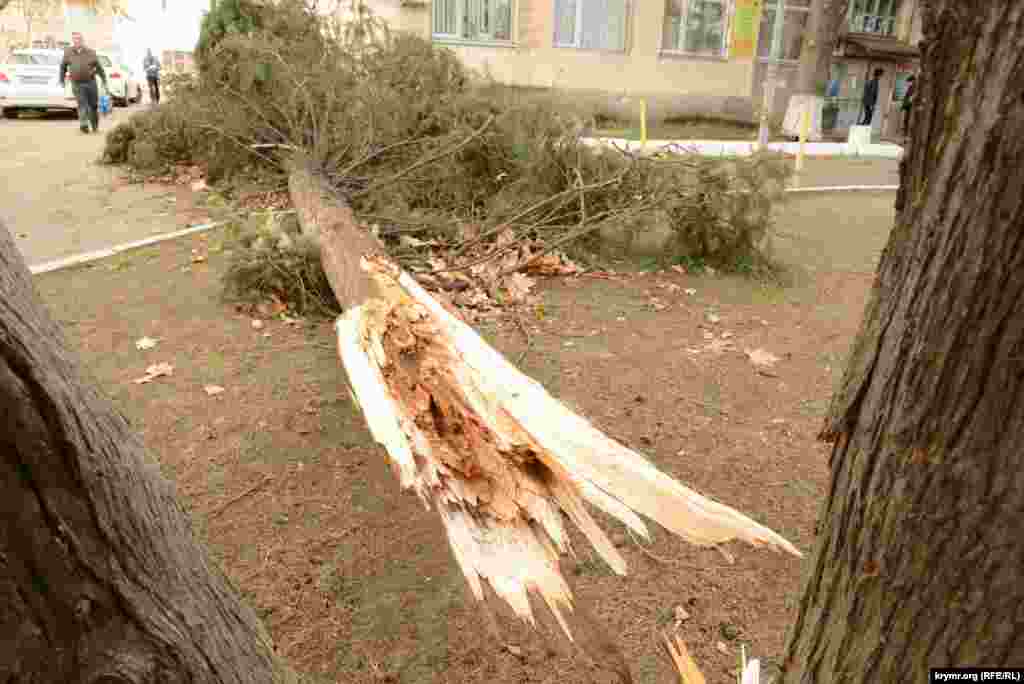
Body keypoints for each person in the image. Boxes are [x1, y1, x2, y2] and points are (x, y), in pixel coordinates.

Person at [58, 32, 109, 134]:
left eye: (79, 39)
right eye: (75, 39)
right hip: (76, 83)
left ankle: (94, 125)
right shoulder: (68, 52)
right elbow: (63, 67)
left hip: (90, 83)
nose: (77, 41)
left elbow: (99, 68)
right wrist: (62, 80)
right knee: (82, 104)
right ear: (73, 41)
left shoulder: (91, 52)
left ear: (82, 41)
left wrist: (104, 80)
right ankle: (84, 125)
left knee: (93, 106)